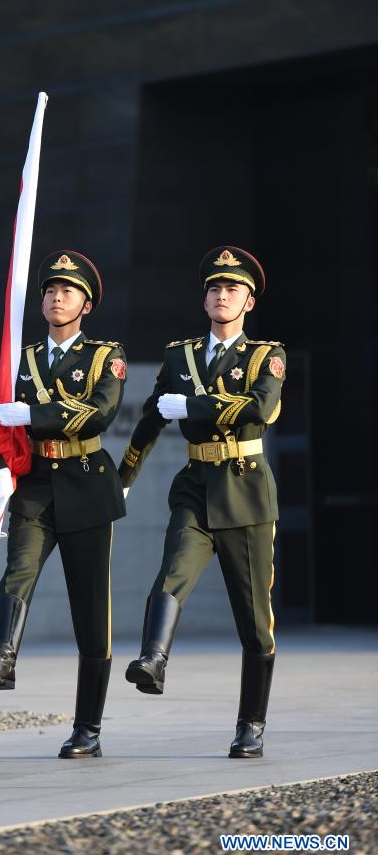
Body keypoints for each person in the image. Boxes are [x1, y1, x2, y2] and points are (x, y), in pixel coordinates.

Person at [120, 246, 285, 758]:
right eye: (214, 288)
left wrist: (192, 404)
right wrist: (124, 475)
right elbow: (151, 417)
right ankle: (153, 658)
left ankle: (251, 723)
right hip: (195, 485)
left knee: (254, 621)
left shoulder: (266, 356)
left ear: (248, 302)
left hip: (246, 491)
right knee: (172, 571)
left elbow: (260, 407)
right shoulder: (180, 356)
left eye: (232, 289)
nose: (221, 295)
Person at [0, 251, 127, 758]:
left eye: (68, 292)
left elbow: (97, 412)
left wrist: (33, 414)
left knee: (89, 610)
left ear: (86, 304)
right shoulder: (20, 360)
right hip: (34, 483)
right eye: (50, 291)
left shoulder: (106, 356)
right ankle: (2, 658)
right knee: (17, 572)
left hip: (85, 484)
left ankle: (88, 729)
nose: (57, 298)